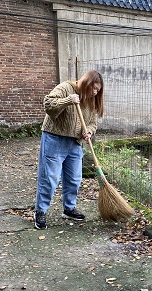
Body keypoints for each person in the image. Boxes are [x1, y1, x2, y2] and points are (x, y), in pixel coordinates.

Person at [33, 70, 104, 229]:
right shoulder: (66, 88)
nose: (94, 92)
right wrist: (67, 101)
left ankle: (69, 208)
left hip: (75, 143)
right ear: (86, 82)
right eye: (93, 88)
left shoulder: (91, 101)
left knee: (74, 179)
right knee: (49, 178)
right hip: (54, 138)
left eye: (97, 90)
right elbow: (48, 104)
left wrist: (90, 131)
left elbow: (92, 123)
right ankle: (40, 211)